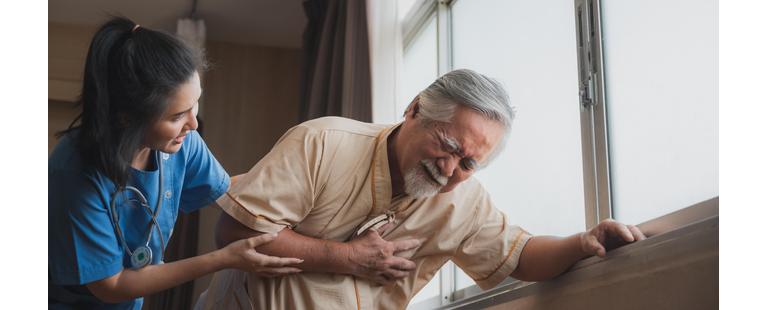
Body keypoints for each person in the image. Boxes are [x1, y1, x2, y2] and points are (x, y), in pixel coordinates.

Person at [197, 69, 647, 309]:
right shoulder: (322, 142)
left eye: (469, 163)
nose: (449, 169)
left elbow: (519, 255)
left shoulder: (465, 202)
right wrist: (348, 258)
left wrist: (582, 242)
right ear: (414, 109)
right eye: (447, 145)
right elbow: (235, 234)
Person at [48, 17, 302, 309]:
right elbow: (111, 285)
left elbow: (227, 189)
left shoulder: (181, 144)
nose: (193, 123)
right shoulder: (74, 173)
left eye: (194, 105)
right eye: (176, 116)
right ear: (127, 117)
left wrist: (297, 191)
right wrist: (223, 259)